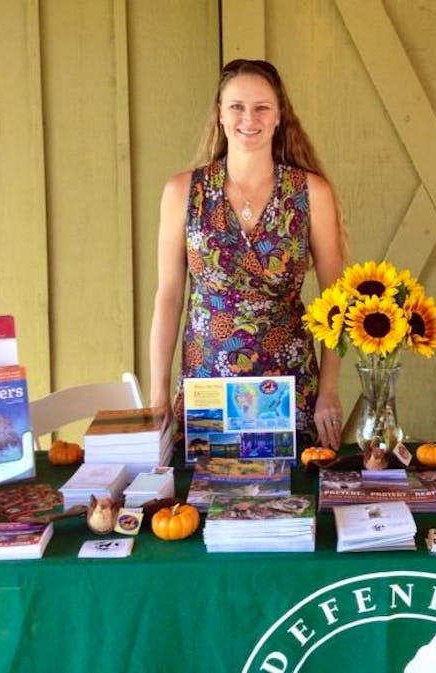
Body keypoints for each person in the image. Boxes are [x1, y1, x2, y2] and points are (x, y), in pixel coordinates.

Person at [148, 59, 348, 448]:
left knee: (289, 497)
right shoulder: (182, 193)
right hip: (207, 386)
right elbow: (169, 296)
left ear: (278, 117)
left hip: (288, 389)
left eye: (262, 107)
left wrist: (329, 390)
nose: (248, 118)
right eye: (236, 106)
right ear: (219, 115)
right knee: (203, 498)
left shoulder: (311, 193)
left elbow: (336, 301)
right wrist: (158, 393)